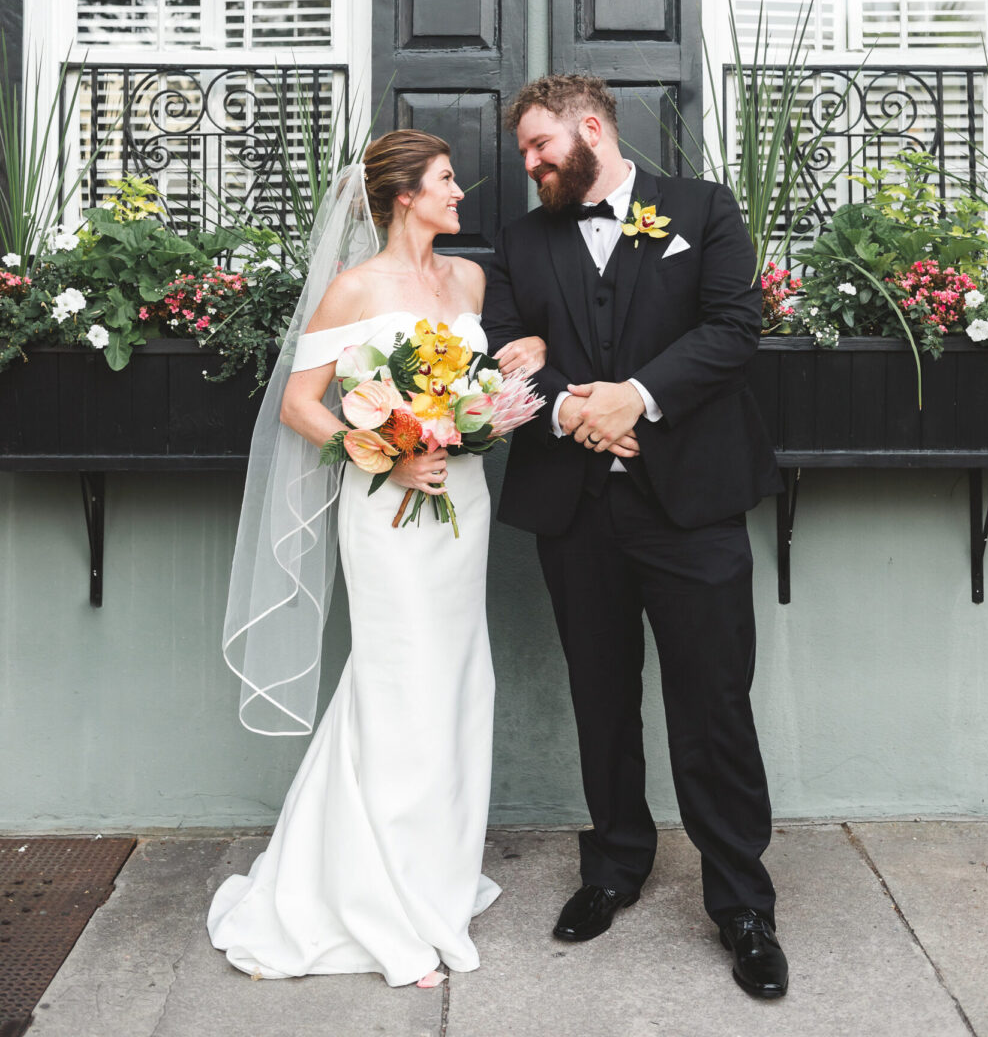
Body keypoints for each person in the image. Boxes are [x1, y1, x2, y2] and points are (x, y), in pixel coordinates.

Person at [208, 131, 541, 988]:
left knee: (459, 685)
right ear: (403, 196)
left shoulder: (467, 279)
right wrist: (388, 451)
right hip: (388, 510)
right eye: (444, 181)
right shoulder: (355, 289)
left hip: (460, 499)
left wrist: (504, 386)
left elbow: (499, 364)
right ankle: (379, 904)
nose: (460, 192)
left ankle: (433, 880)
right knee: (398, 688)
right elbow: (298, 403)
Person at [483, 75, 789, 1000]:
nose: (530, 165)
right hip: (577, 515)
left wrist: (637, 398)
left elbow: (737, 326)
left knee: (713, 705)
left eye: (540, 147)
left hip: (690, 508)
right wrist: (578, 407)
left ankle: (741, 902)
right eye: (525, 154)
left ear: (589, 128)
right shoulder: (524, 239)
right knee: (601, 697)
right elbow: (499, 345)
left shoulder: (703, 209)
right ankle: (613, 865)